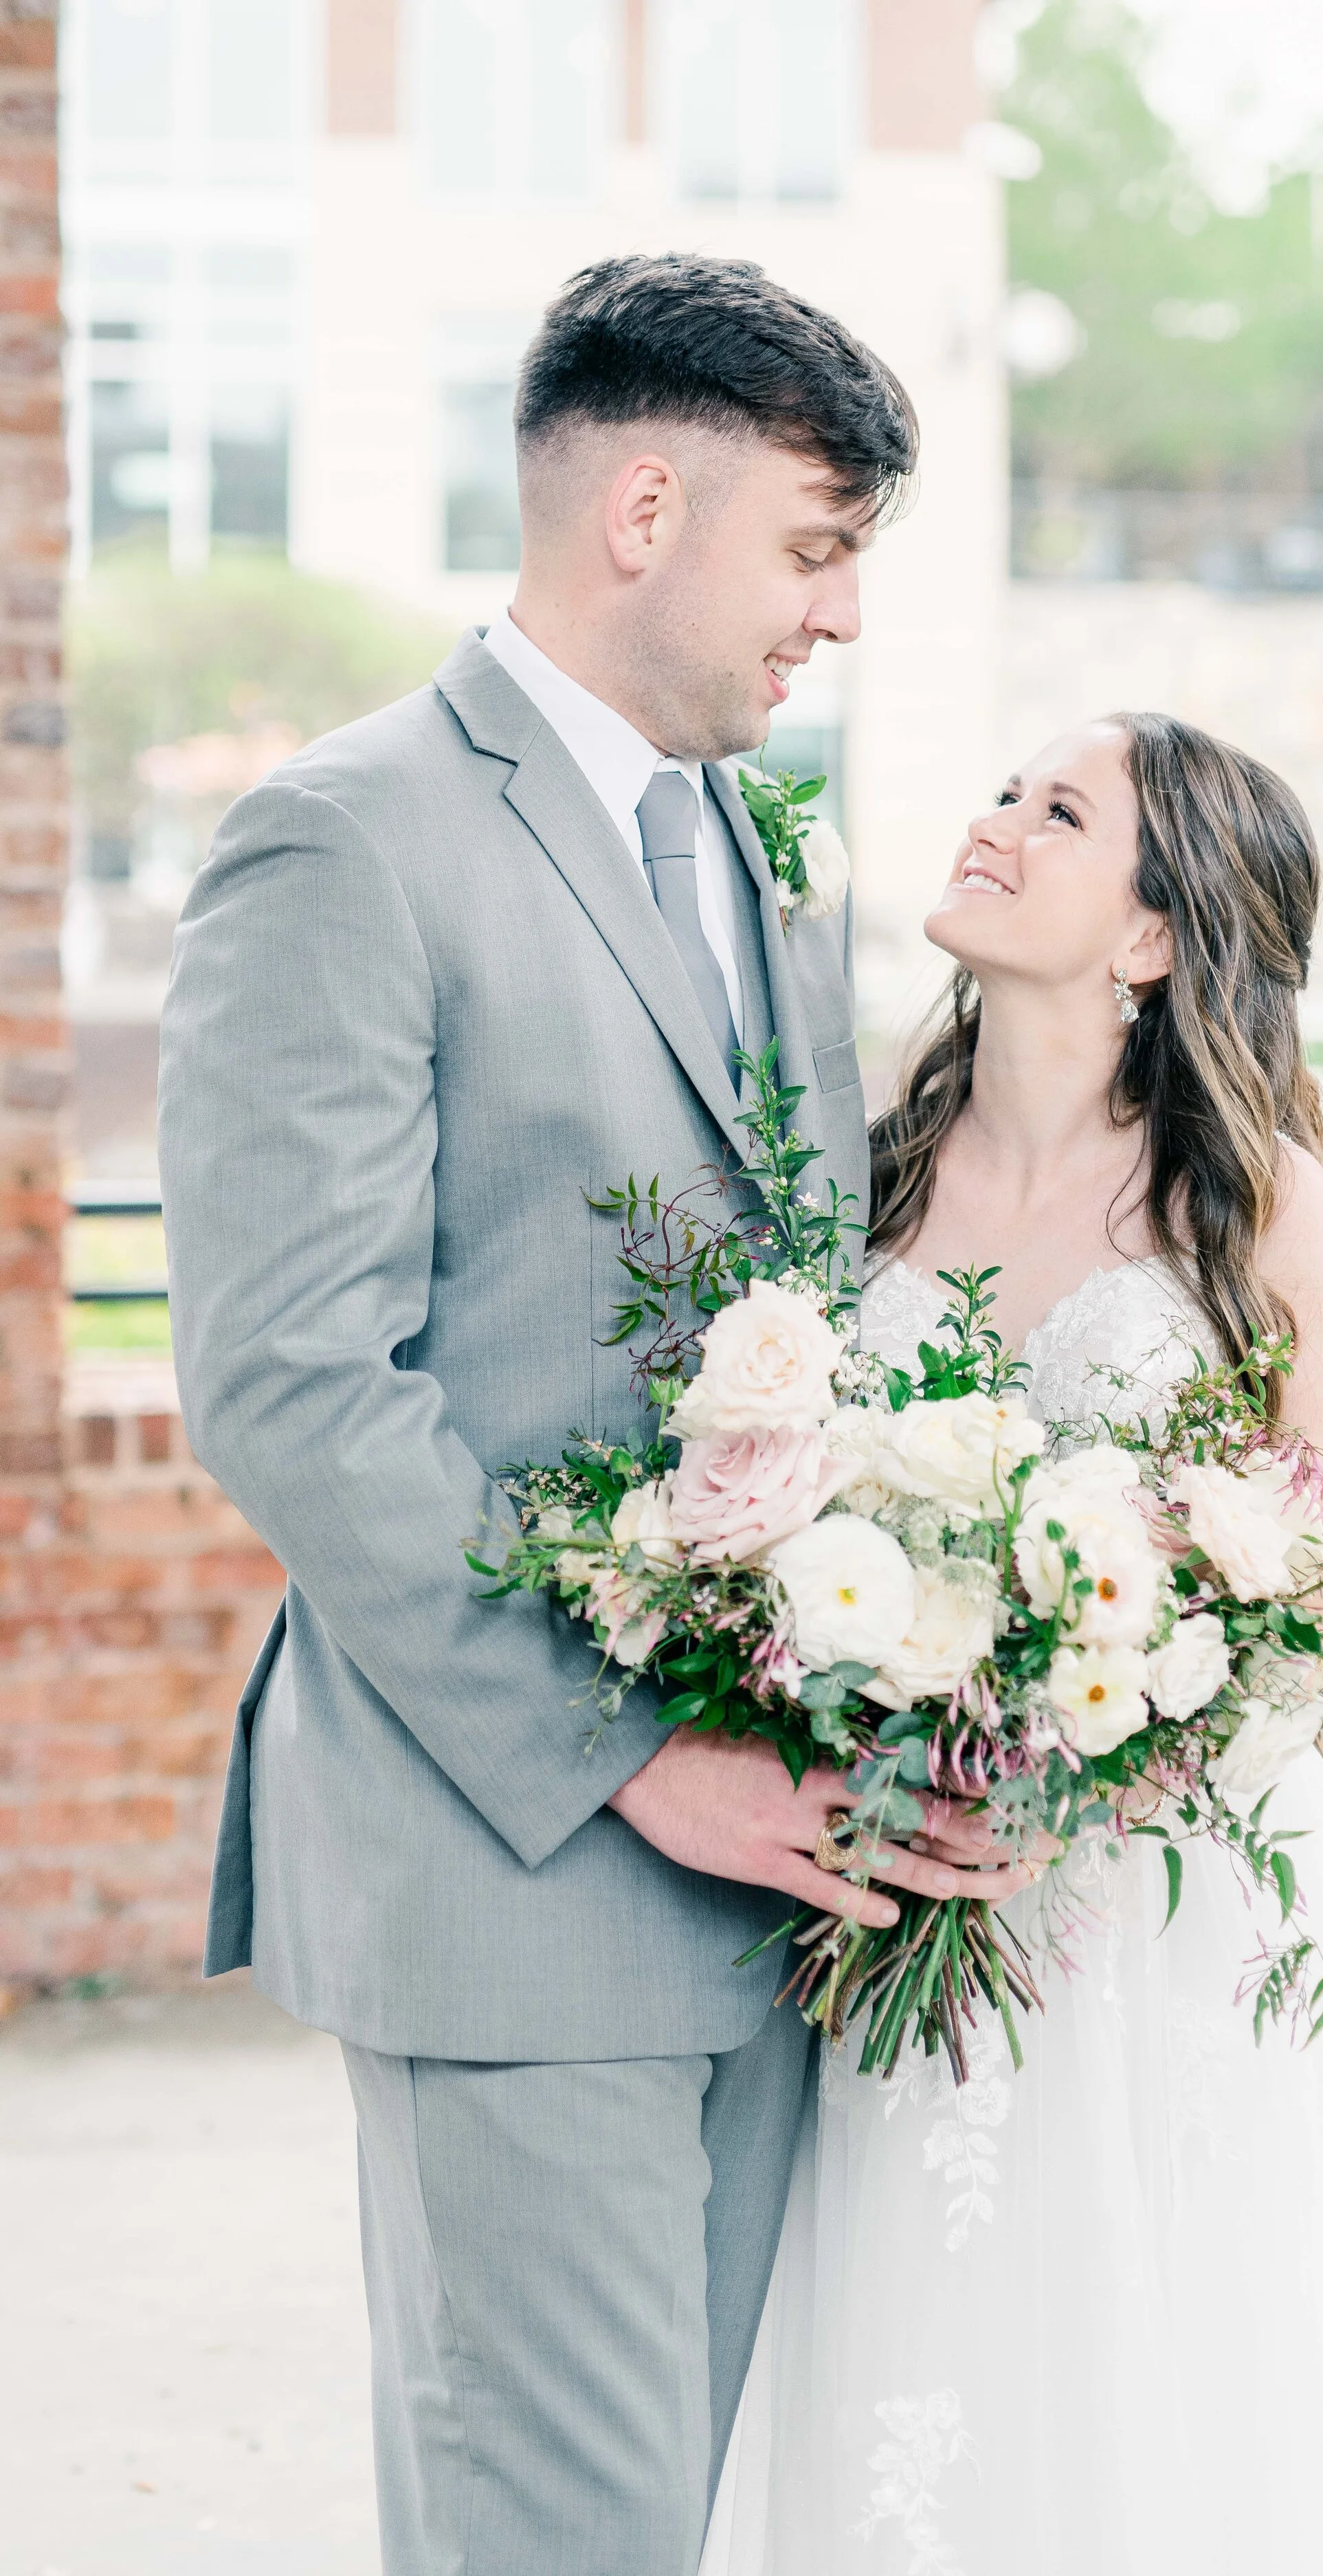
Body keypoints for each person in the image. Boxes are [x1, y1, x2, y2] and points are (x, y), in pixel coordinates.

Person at [158, 253, 1029, 2576]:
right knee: (558, 2543)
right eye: (818, 547)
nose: (836, 617)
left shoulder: (772, 848)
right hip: (519, 1863)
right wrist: (637, 1753)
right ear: (645, 503)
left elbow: (820, 1317)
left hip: (784, 1875)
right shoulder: (341, 844)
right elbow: (289, 1372)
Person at [702, 713, 1323, 2575]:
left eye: (1056, 812)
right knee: (934, 2360)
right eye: (999, 791)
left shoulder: (1259, 1209)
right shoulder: (864, 1174)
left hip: (1176, 1890)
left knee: (1212, 2367)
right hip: (921, 1862)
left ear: (1148, 937)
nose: (994, 823)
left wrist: (1115, 1733)